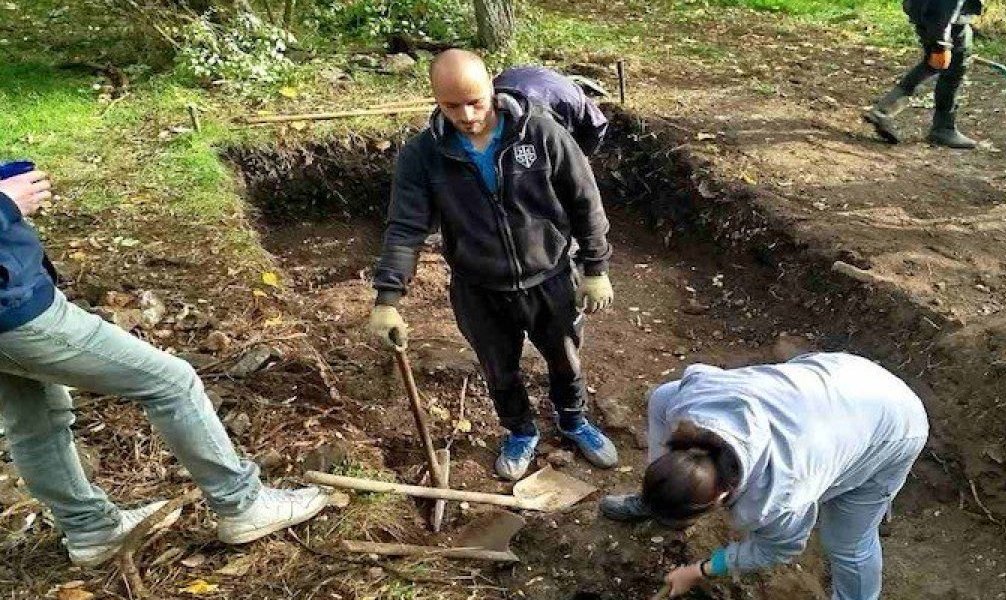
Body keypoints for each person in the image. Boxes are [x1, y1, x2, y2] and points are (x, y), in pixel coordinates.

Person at [0, 165, 329, 568]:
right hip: (17, 313)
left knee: (35, 419)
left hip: (12, 308)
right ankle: (243, 504)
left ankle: (91, 531)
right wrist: (5, 203)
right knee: (172, 381)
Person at [368, 50, 619, 481]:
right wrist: (387, 298)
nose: (466, 115)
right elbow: (405, 227)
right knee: (498, 368)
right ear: (434, 98)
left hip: (552, 277)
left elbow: (585, 201)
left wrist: (595, 269)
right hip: (478, 289)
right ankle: (520, 431)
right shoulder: (423, 155)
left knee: (565, 359)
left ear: (492, 88)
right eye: (451, 105)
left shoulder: (540, 132)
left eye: (476, 101)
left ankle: (574, 420)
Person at [600, 353, 928, 600]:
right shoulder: (690, 404)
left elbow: (777, 549)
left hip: (891, 423)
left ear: (719, 498)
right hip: (834, 383)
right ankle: (653, 502)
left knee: (846, 542)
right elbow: (660, 399)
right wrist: (665, 485)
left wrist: (698, 570)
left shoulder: (779, 500)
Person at [863, 0, 983, 149]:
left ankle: (885, 110)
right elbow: (942, 6)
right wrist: (941, 44)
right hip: (938, 18)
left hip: (929, 12)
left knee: (935, 64)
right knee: (948, 66)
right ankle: (943, 128)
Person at [493, 65, 609, 157]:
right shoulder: (489, 100)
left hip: (526, 81)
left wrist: (580, 157)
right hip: (525, 82)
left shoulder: (576, 102)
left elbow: (598, 126)